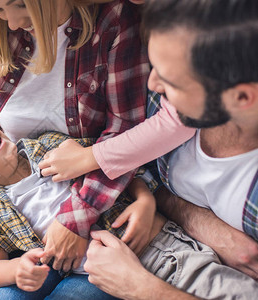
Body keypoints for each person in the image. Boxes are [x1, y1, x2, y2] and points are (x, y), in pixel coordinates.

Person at [0, 1, 155, 298]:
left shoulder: (111, 22)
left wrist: (77, 218)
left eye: (18, 4)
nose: (11, 22)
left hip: (89, 195)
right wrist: (17, 268)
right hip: (3, 187)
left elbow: (125, 135)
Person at [81, 0, 258, 299]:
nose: (152, 83)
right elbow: (142, 169)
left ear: (242, 97)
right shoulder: (174, 93)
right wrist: (199, 221)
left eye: (170, 81)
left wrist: (142, 289)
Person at [0, 118, 156, 299]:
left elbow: (110, 163)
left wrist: (144, 197)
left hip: (137, 232)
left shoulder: (48, 146)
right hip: (91, 275)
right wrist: (17, 268)